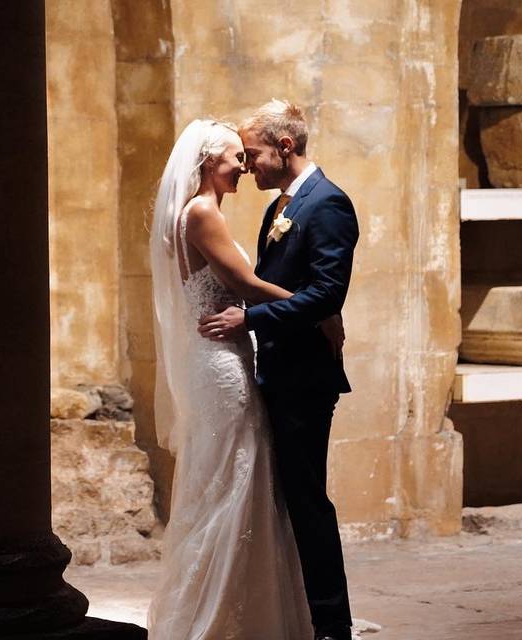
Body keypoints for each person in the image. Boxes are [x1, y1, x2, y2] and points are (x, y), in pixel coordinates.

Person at [147, 118, 316, 639]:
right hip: (223, 363)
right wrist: (317, 309)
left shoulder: (193, 213)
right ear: (205, 164)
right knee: (236, 475)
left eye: (244, 157)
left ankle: (235, 607)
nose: (242, 165)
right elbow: (243, 282)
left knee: (226, 474)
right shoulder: (201, 212)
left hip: (215, 354)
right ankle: (222, 616)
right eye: (233, 157)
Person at [198, 100, 359, 640]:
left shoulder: (328, 204)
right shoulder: (280, 207)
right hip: (278, 370)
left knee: (308, 498)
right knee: (287, 496)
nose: (249, 166)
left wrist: (251, 318)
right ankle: (299, 613)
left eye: (255, 155)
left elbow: (325, 293)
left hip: (307, 377)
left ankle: (333, 623)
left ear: (284, 148)